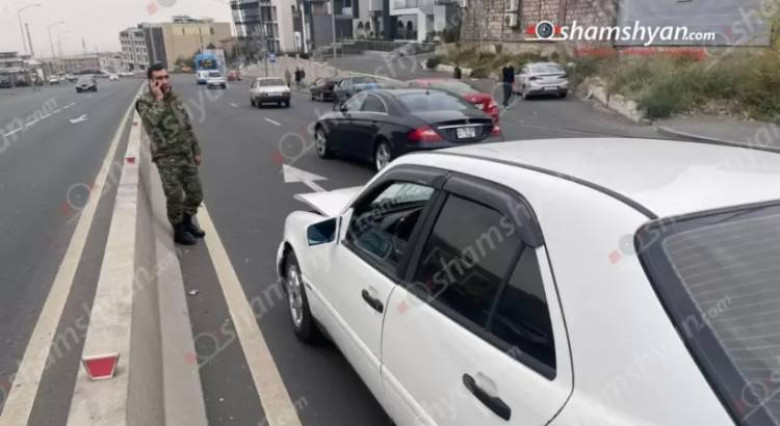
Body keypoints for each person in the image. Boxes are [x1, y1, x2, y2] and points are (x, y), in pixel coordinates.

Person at [136, 63, 205, 246]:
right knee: (174, 197)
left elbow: (187, 126)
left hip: (185, 153)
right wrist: (159, 98)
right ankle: (179, 231)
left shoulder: (175, 98)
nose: (164, 80)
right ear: (151, 81)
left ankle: (187, 222)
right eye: (159, 78)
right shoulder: (144, 102)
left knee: (196, 194)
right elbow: (151, 123)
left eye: (166, 76)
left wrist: (196, 150)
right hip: (166, 157)